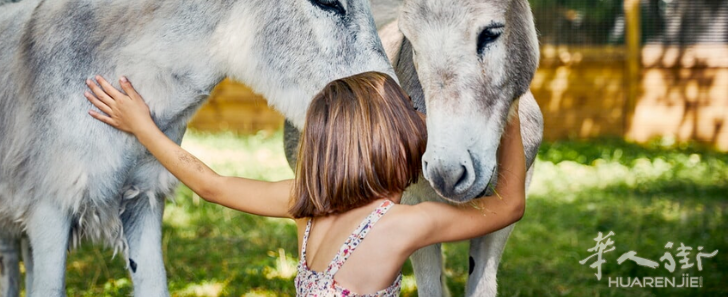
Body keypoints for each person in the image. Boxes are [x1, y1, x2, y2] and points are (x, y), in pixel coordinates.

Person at [84, 71, 526, 296]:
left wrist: (142, 126)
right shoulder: (403, 224)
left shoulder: (305, 203)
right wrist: (506, 105)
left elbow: (211, 185)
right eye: (411, 110)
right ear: (389, 140)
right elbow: (507, 207)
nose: (422, 119)